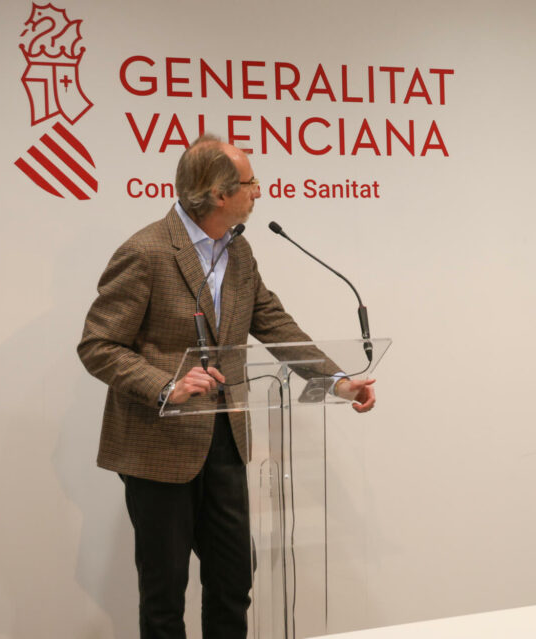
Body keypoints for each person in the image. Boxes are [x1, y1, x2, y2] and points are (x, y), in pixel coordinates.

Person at [78, 134, 375, 638]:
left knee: (234, 579)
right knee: (165, 595)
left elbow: (275, 325)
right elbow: (98, 345)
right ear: (218, 194)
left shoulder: (238, 250)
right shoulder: (146, 252)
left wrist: (336, 381)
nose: (259, 191)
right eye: (250, 182)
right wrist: (166, 385)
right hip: (159, 448)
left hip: (225, 440)